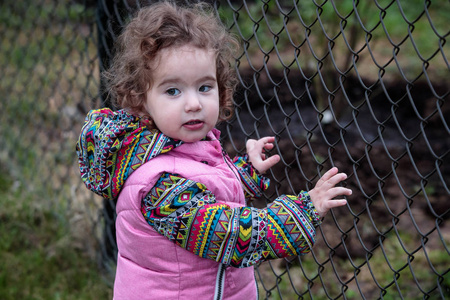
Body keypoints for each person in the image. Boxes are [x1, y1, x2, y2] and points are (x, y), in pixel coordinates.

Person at [76, 1, 352, 299]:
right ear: (140, 100)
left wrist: (245, 171)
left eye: (204, 87)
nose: (194, 103)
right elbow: (232, 235)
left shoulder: (181, 147)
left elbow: (208, 189)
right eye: (173, 91)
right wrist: (304, 210)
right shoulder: (156, 185)